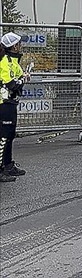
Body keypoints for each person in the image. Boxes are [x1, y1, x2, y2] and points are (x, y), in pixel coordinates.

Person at [0, 33, 28, 182]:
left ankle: (8, 165)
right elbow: (11, 84)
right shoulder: (5, 60)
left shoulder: (13, 60)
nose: (21, 46)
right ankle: (1, 170)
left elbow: (19, 78)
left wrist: (22, 78)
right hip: (3, 103)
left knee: (9, 135)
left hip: (10, 102)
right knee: (3, 137)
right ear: (14, 46)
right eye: (19, 43)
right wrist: (22, 80)